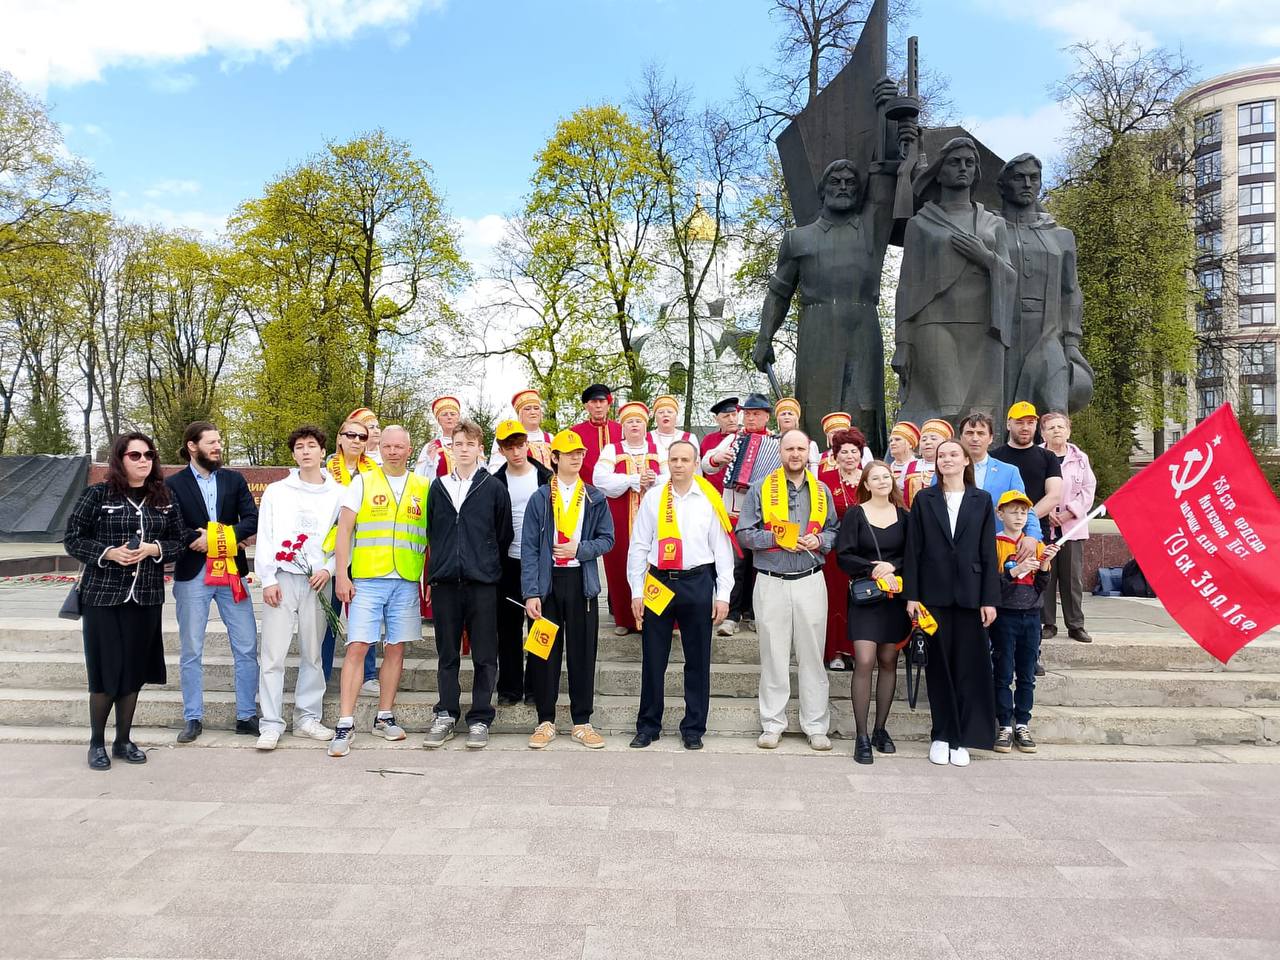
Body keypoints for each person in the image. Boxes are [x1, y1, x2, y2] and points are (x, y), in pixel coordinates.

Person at [64, 433, 186, 770]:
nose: (144, 460)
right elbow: (73, 538)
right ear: (120, 459)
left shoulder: (164, 497)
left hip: (145, 597)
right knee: (106, 672)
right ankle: (96, 742)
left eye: (149, 454)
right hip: (103, 597)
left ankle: (123, 740)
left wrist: (154, 549)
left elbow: (179, 540)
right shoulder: (97, 495)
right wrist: (108, 553)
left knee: (133, 670)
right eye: (135, 455)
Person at [627, 440, 737, 750]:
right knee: (653, 657)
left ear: (696, 463)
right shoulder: (654, 498)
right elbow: (639, 545)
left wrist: (723, 594)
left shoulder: (709, 497)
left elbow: (722, 550)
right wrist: (636, 590)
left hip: (697, 581)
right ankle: (648, 725)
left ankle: (693, 728)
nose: (678, 465)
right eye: (673, 459)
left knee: (697, 659)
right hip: (659, 582)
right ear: (668, 461)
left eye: (685, 460)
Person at [327, 425, 426, 757]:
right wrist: (342, 575)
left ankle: (384, 716)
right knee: (357, 646)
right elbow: (344, 530)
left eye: (399, 446)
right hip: (368, 579)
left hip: (406, 579)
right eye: (387, 446)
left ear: (409, 449)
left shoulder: (422, 486)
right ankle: (345, 722)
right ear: (378, 448)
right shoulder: (363, 481)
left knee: (396, 648)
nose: (393, 451)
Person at [736, 430, 838, 752]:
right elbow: (744, 534)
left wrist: (820, 540)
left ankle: (816, 725)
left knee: (812, 657)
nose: (795, 454)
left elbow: (834, 530)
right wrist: (776, 539)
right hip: (771, 580)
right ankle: (772, 724)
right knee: (773, 655)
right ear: (780, 451)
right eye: (789, 448)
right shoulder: (760, 488)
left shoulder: (821, 490)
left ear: (809, 452)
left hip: (810, 579)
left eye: (800, 448)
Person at [904, 438, 1000, 767]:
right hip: (933, 595)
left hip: (972, 596)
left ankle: (962, 738)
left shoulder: (981, 499)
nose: (946, 459)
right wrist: (912, 595)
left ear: (965, 461)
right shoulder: (924, 499)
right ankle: (941, 735)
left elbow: (988, 552)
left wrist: (989, 598)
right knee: (939, 668)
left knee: (968, 669)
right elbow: (913, 549)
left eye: (953, 454)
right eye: (942, 455)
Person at [422, 420, 514, 750]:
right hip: (446, 582)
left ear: (480, 448)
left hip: (482, 583)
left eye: (469, 444)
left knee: (485, 654)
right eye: (458, 443)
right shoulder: (438, 487)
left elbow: (503, 533)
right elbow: (433, 531)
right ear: (450, 448)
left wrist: (483, 561)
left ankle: (480, 717)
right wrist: (440, 567)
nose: (463, 449)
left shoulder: (493, 487)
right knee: (447, 653)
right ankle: (446, 713)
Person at [521, 430, 616, 749]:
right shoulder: (540, 498)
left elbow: (608, 539)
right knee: (543, 652)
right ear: (555, 458)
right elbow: (529, 548)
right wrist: (531, 592)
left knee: (583, 654)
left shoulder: (594, 497)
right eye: (569, 453)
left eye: (580, 453)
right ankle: (545, 720)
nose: (576, 458)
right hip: (547, 585)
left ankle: (582, 721)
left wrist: (580, 549)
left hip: (580, 583)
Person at [166, 421, 259, 743]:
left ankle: (246, 715)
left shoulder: (234, 480)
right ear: (192, 446)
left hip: (232, 573)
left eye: (219, 441)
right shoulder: (173, 484)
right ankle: (193, 717)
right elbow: (171, 526)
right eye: (211, 442)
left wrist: (218, 539)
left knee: (246, 646)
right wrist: (197, 539)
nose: (218, 447)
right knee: (192, 648)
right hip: (193, 574)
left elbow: (251, 519)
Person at [254, 425, 343, 750]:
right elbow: (266, 535)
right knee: (273, 655)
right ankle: (271, 723)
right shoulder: (278, 492)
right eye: (300, 447)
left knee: (313, 653)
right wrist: (268, 578)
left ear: (323, 452)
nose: (306, 451)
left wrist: (329, 569)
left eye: (311, 446)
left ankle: (307, 717)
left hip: (318, 580)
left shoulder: (338, 493)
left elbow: (344, 539)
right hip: (283, 578)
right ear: (293, 454)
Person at [836, 461, 911, 764]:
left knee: (889, 660)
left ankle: (880, 729)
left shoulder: (905, 516)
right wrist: (872, 569)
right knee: (865, 660)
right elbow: (843, 554)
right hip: (866, 596)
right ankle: (862, 736)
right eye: (875, 478)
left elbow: (914, 554)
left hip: (895, 597)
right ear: (866, 484)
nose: (882, 481)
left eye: (886, 477)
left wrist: (893, 566)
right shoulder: (855, 514)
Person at [702, 393, 778, 637]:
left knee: (761, 566)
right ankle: (732, 616)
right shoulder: (734, 439)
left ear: (766, 417)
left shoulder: (777, 442)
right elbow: (705, 464)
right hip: (734, 511)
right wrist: (718, 458)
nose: (751, 418)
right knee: (735, 564)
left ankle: (755, 614)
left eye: (756, 414)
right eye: (747, 414)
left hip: (765, 515)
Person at [991, 490, 1060, 755]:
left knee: (1027, 673)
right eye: (1013, 511)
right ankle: (1004, 724)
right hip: (1004, 616)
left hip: (1031, 616)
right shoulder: (994, 544)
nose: (1019, 516)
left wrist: (1044, 565)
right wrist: (1015, 571)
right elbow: (993, 587)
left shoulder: (1036, 546)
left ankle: (1022, 723)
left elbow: (1042, 586)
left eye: (1024, 512)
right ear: (1001, 514)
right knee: (1003, 671)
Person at [491, 419, 551, 706]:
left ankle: (537, 686)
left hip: (539, 562)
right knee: (507, 627)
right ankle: (510, 687)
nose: (515, 452)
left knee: (539, 624)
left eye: (519, 445)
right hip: (508, 562)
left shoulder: (546, 478)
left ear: (527, 445)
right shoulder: (494, 482)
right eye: (509, 447)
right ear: (501, 450)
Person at [593, 401, 662, 636]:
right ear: (622, 427)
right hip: (620, 516)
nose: (634, 425)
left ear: (646, 425)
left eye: (639, 421)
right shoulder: (612, 450)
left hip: (655, 518)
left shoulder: (657, 449)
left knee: (655, 562)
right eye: (630, 421)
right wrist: (632, 480)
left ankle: (657, 618)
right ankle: (624, 618)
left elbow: (672, 476)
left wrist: (654, 480)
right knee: (619, 561)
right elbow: (600, 478)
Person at [323, 417, 380, 691]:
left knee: (364, 618)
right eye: (351, 435)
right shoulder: (324, 472)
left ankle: (368, 675)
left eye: (362, 437)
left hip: (363, 553)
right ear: (340, 438)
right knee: (327, 619)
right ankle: (321, 675)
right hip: (329, 554)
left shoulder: (375, 473)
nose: (356, 441)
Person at [1040, 411, 1096, 643]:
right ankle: (1047, 623)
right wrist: (1047, 511)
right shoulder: (1038, 456)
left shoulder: (1080, 458)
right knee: (1046, 575)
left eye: (1060, 427)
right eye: (1051, 427)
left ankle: (1075, 625)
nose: (1056, 431)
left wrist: (1069, 512)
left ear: (1068, 431)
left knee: (1072, 579)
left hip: (1071, 527)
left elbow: (1088, 490)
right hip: (1044, 526)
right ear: (1043, 433)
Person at [818, 426, 866, 669]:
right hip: (835, 550)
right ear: (835, 455)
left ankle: (860, 651)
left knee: (862, 599)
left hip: (865, 549)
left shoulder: (870, 478)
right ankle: (835, 652)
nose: (849, 456)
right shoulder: (824, 481)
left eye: (854, 451)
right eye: (844, 452)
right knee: (835, 599)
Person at [956, 412, 1043, 542]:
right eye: (969, 433)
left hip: (997, 544)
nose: (975, 438)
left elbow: (1025, 507)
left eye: (981, 433)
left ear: (991, 438)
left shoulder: (1009, 472)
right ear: (961, 438)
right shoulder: (946, 470)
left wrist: (1032, 536)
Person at [991, 401, 1062, 543]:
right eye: (1019, 422)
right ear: (1008, 424)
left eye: (1030, 423)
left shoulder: (1049, 457)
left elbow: (1054, 496)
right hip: (998, 535)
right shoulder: (993, 458)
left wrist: (1024, 519)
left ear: (1036, 425)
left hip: (1036, 536)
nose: (1025, 427)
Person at [489, 389, 553, 471]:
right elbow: (496, 468)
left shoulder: (550, 438)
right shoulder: (506, 437)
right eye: (527, 409)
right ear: (519, 413)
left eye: (536, 408)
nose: (533, 412)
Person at [570, 383, 622, 482]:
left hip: (619, 488)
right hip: (585, 488)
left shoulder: (622, 430)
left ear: (608, 405)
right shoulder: (575, 433)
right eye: (593, 402)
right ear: (586, 406)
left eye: (602, 401)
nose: (598, 406)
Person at [903, 418, 952, 507]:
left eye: (933, 438)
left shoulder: (951, 466)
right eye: (924, 439)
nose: (928, 442)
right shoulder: (909, 466)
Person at [413, 396, 461, 478]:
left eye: (453, 414)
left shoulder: (470, 444)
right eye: (444, 414)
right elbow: (419, 476)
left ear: (458, 417)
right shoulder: (431, 447)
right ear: (438, 420)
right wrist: (430, 462)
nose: (449, 417)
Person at [700, 396, 740, 496]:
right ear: (716, 419)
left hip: (738, 497)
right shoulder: (708, 440)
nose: (731, 419)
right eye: (726, 416)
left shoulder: (746, 437)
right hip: (712, 496)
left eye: (734, 415)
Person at [649, 394, 698, 471]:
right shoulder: (646, 437)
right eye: (661, 412)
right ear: (655, 416)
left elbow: (696, 468)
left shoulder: (690, 438)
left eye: (670, 412)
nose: (665, 415)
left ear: (676, 415)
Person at [775, 398, 821, 473]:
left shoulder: (810, 444)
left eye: (790, 414)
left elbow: (814, 472)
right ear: (778, 419)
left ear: (797, 418)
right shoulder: (771, 442)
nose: (786, 417)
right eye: (783, 414)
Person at [887, 421, 922, 492]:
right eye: (891, 441)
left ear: (910, 444)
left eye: (897, 439)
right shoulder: (886, 469)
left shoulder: (920, 467)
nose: (892, 443)